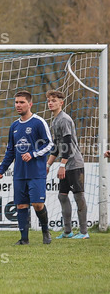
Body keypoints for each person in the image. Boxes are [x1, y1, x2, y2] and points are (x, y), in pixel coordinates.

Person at [0, 90, 54, 245]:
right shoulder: (14, 126)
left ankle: (45, 230)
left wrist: (33, 154)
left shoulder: (38, 122)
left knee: (37, 204)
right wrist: (2, 169)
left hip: (36, 172)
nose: (18, 105)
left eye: (22, 102)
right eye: (16, 102)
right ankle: (24, 239)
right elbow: (11, 150)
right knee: (21, 205)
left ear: (30, 104)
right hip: (19, 173)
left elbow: (50, 144)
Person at [45, 90, 88, 239]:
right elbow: (57, 146)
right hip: (66, 164)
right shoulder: (55, 120)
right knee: (62, 196)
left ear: (61, 103)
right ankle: (68, 231)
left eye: (54, 100)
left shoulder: (64, 119)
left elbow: (68, 143)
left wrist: (62, 165)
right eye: (49, 101)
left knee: (78, 196)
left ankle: (84, 232)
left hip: (74, 164)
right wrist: (48, 165)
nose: (50, 103)